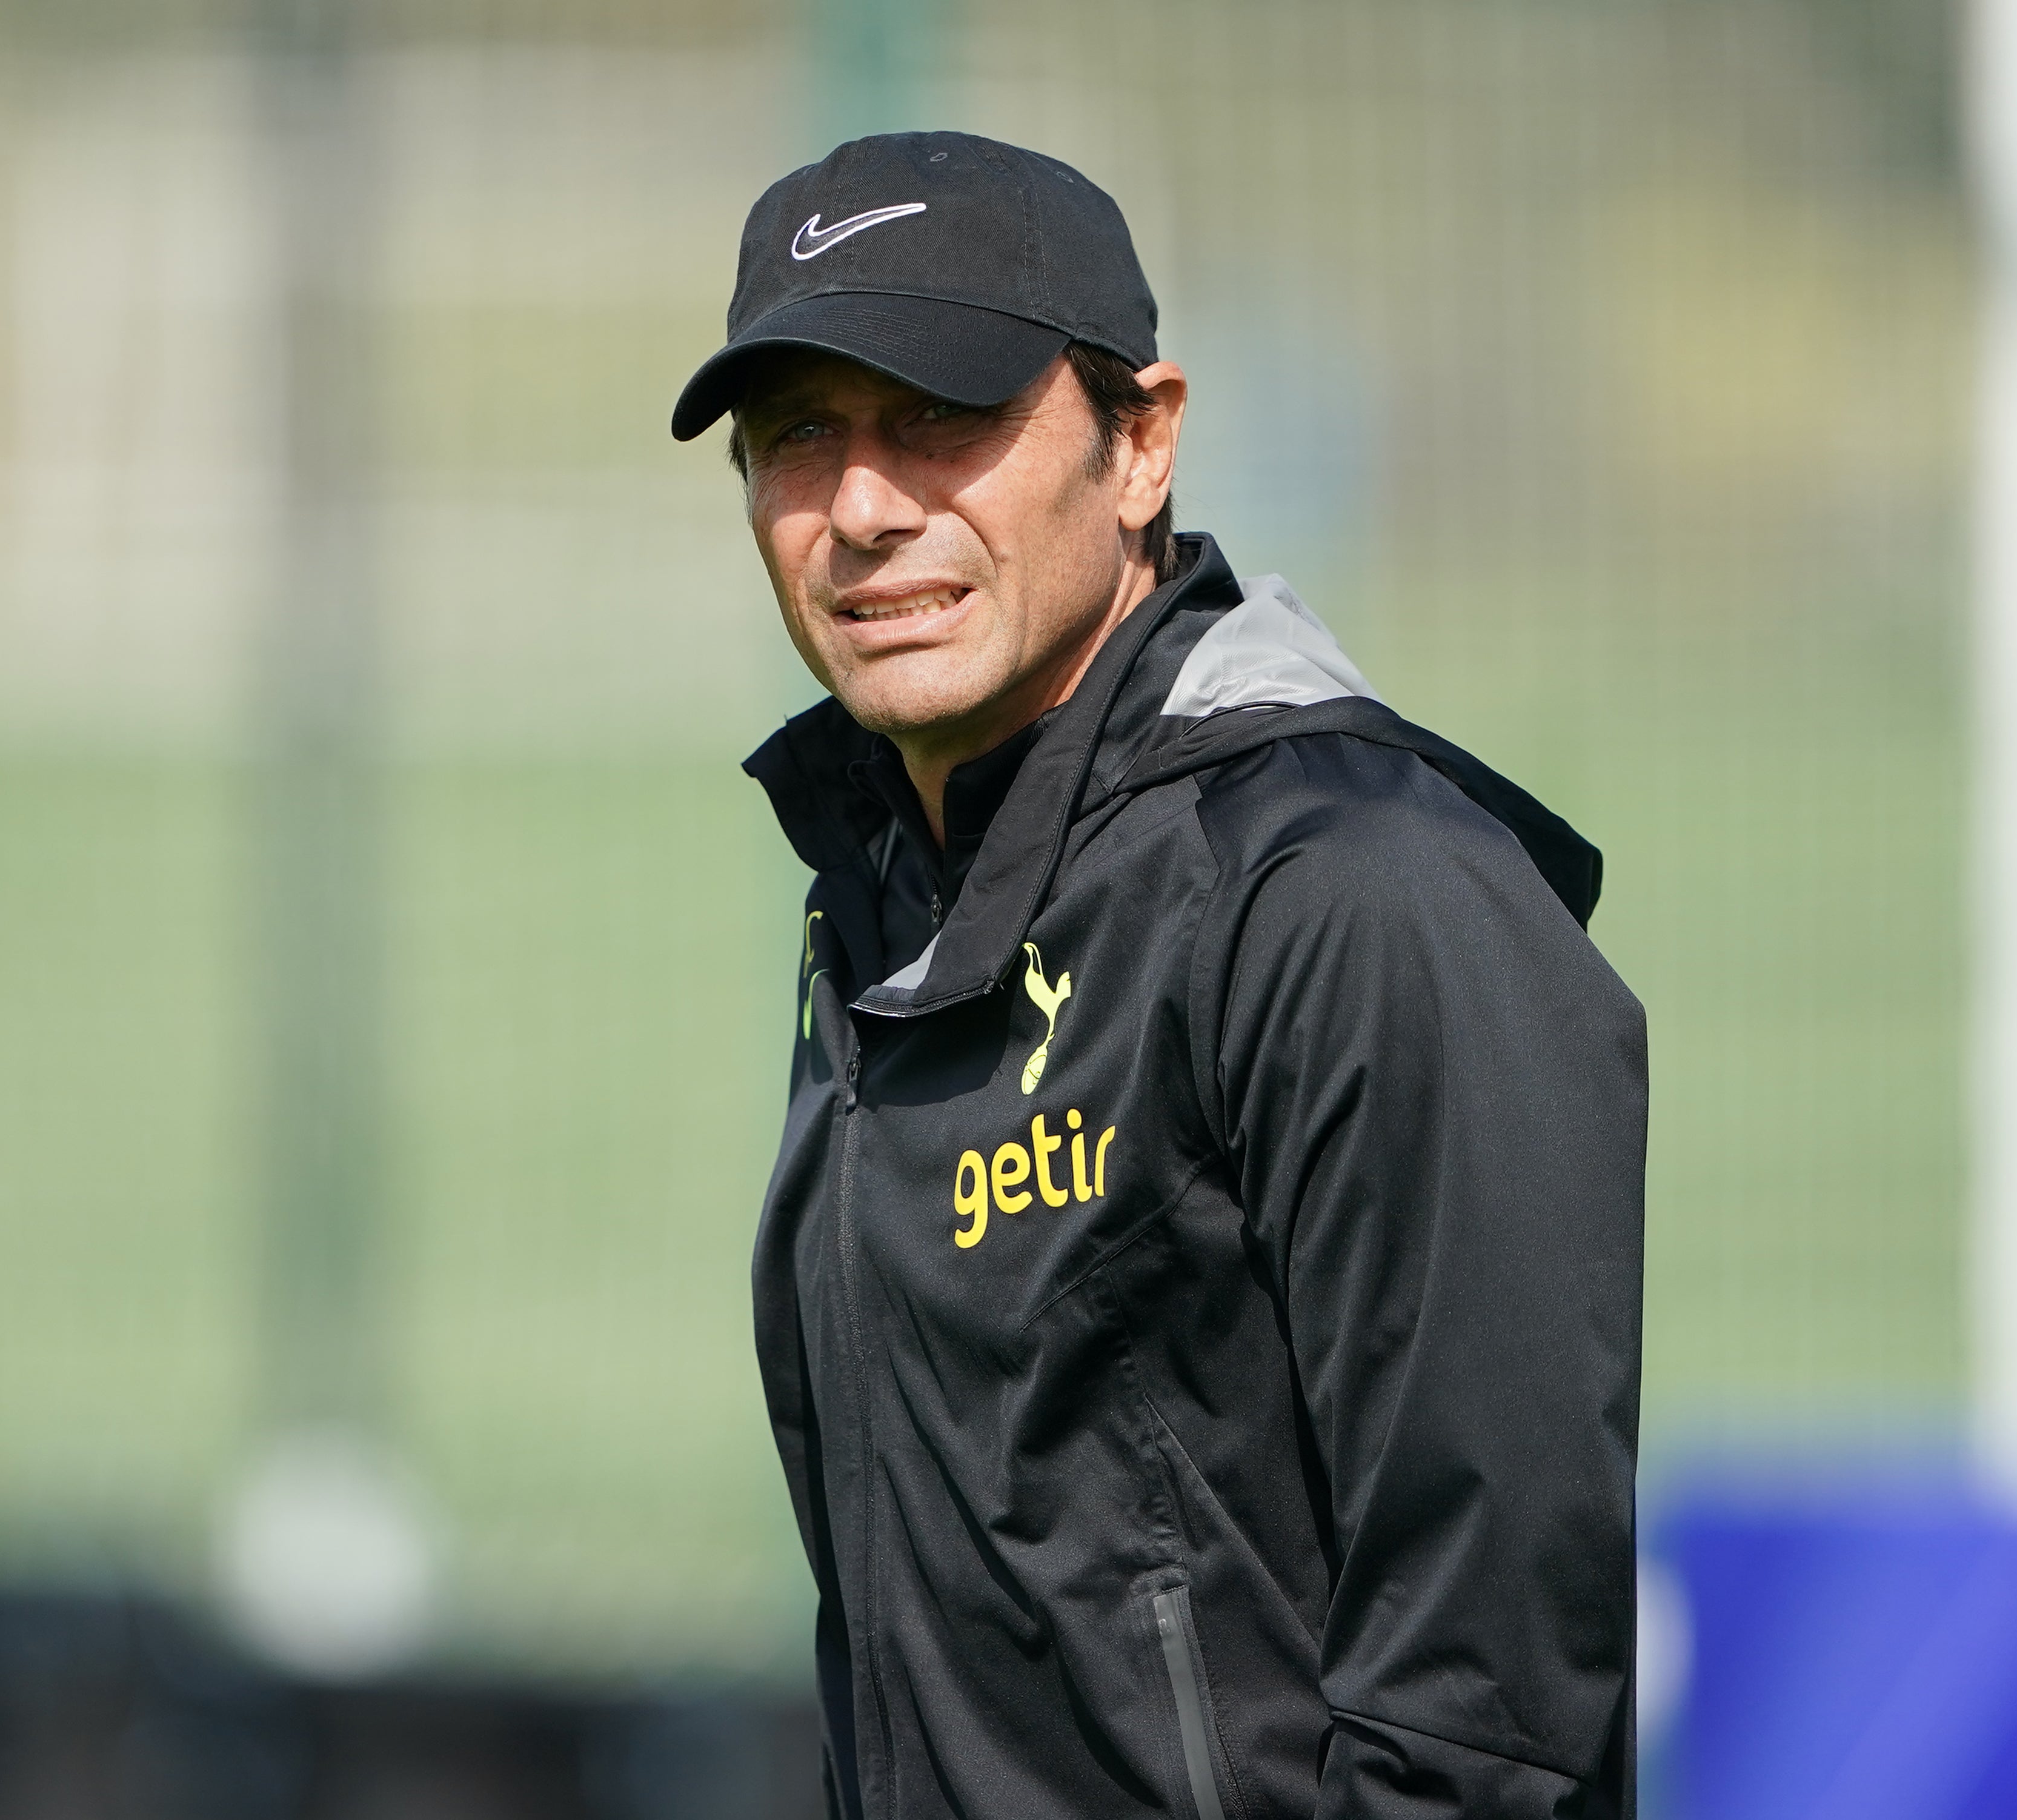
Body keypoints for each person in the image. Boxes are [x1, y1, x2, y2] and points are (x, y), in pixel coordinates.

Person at [671, 131, 1646, 1820]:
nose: (864, 508)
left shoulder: (1355, 892)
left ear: (1143, 445)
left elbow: (1491, 1726)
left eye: (941, 417)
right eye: (801, 437)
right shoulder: (885, 896)